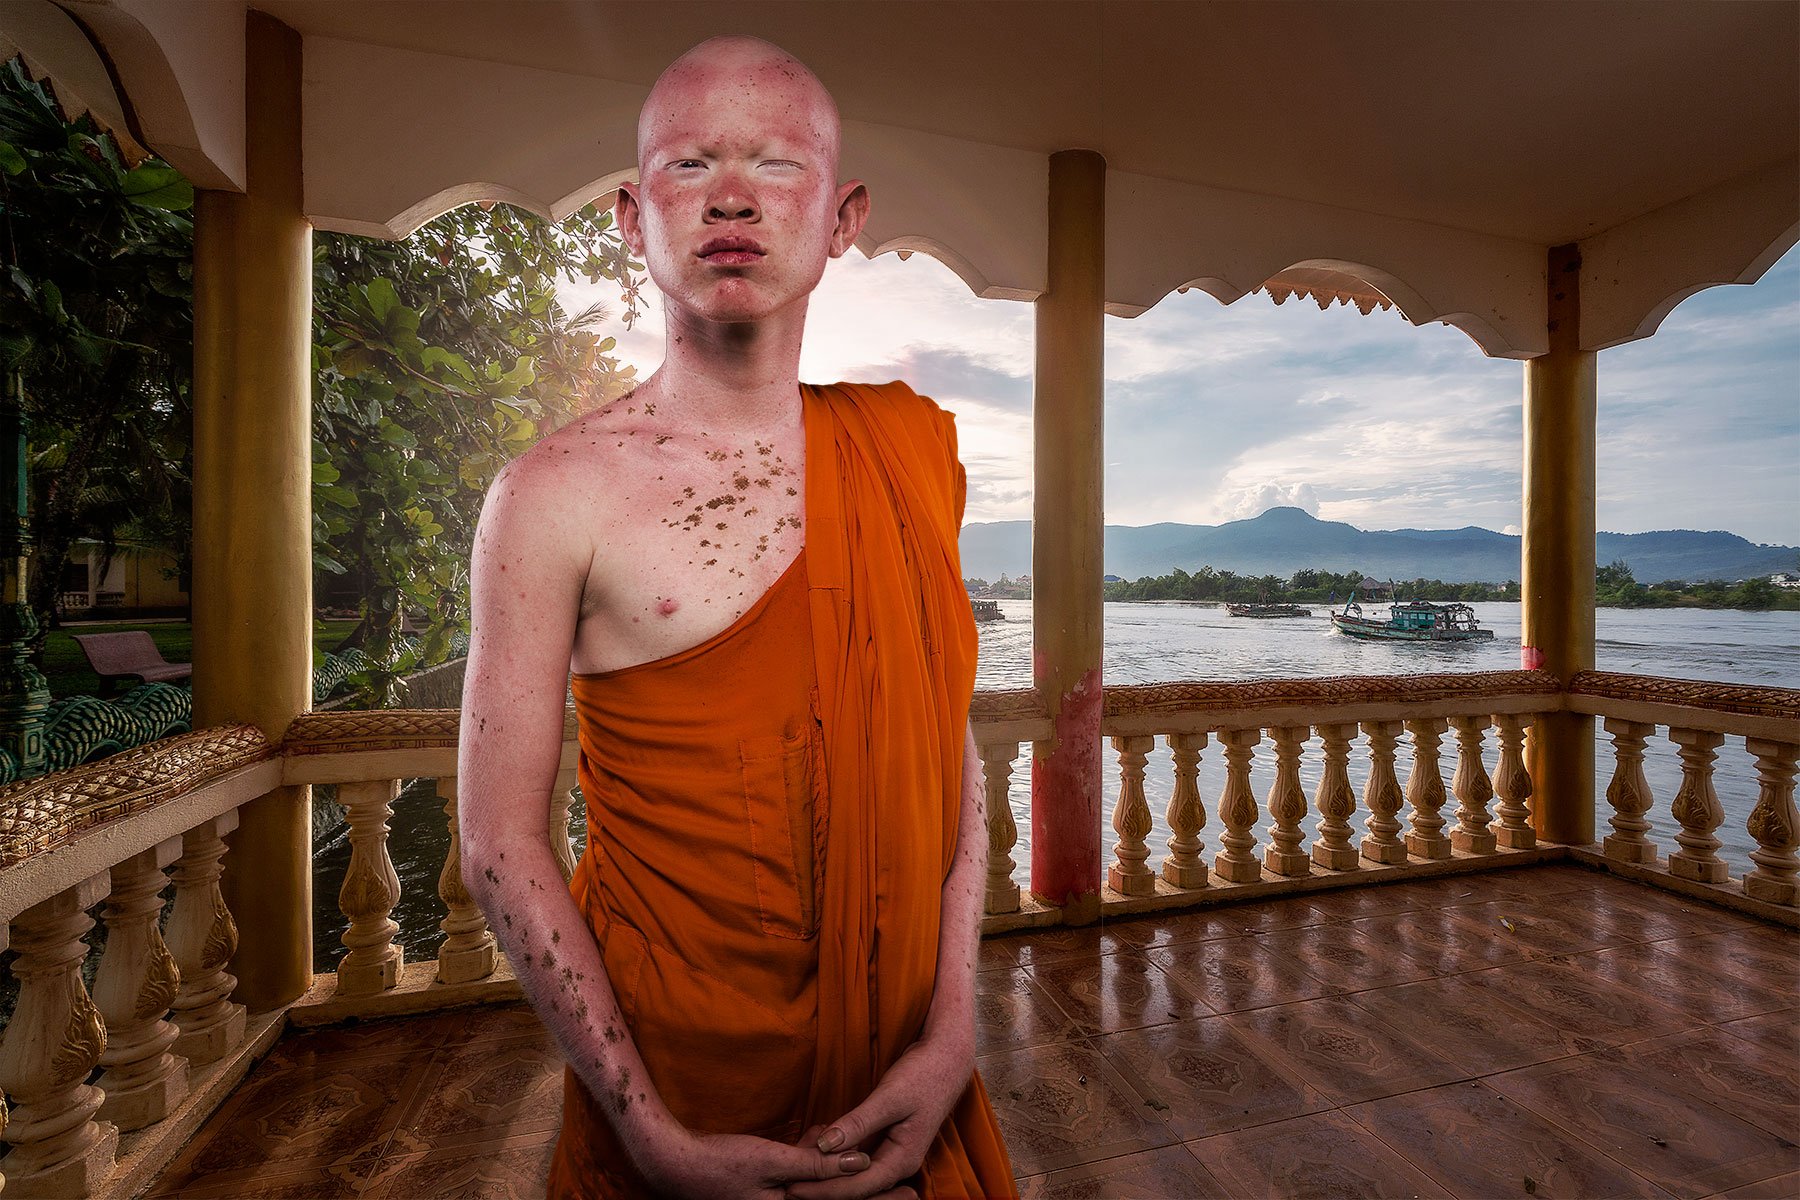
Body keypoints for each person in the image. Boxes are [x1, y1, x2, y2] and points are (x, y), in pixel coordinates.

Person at [457, 34, 1018, 1200]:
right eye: (687, 165)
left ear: (843, 215)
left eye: (776, 166)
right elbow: (501, 845)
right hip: (679, 1085)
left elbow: (940, 745)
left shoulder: (908, 450)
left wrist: (957, 1027)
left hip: (909, 1079)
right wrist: (648, 1131)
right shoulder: (553, 493)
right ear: (629, 214)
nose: (729, 197)